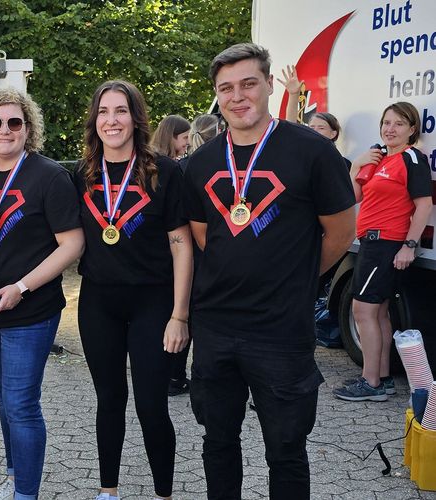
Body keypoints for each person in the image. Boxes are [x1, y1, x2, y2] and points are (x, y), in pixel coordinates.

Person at [182, 43, 356, 499]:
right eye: (226, 88)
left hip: (281, 331)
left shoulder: (312, 151)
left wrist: (297, 276)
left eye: (247, 84)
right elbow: (204, 237)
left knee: (286, 449)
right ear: (216, 96)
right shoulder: (200, 163)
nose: (237, 96)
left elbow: (339, 232)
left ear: (268, 85)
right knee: (218, 443)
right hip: (216, 327)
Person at [0, 87, 84, 500]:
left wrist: (21, 287)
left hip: (31, 311)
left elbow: (72, 244)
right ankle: (14, 477)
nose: (4, 130)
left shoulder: (50, 176)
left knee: (21, 405)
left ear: (28, 128)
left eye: (15, 122)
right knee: (5, 402)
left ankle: (25, 494)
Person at [74, 80, 191, 500]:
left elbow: (181, 245)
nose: (112, 120)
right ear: (94, 120)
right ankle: (108, 491)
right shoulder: (83, 173)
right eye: (104, 112)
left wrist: (180, 315)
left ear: (135, 117)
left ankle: (163, 493)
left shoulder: (165, 170)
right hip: (98, 303)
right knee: (109, 399)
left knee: (151, 405)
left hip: (153, 302)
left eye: (120, 111)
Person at [333, 102, 433, 402]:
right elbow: (352, 197)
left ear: (412, 129)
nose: (390, 129)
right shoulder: (380, 159)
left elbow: (424, 205)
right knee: (377, 313)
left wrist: (409, 246)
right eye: (386, 123)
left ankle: (371, 382)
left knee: (362, 310)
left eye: (399, 124)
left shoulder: (412, 158)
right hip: (371, 243)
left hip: (386, 244)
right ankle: (383, 378)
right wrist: (355, 166)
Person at [167, 112, 222, 397]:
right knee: (200, 319)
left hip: (187, 255)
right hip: (206, 255)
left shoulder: (181, 166)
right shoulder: (211, 166)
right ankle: (202, 379)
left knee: (183, 314)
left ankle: (175, 376)